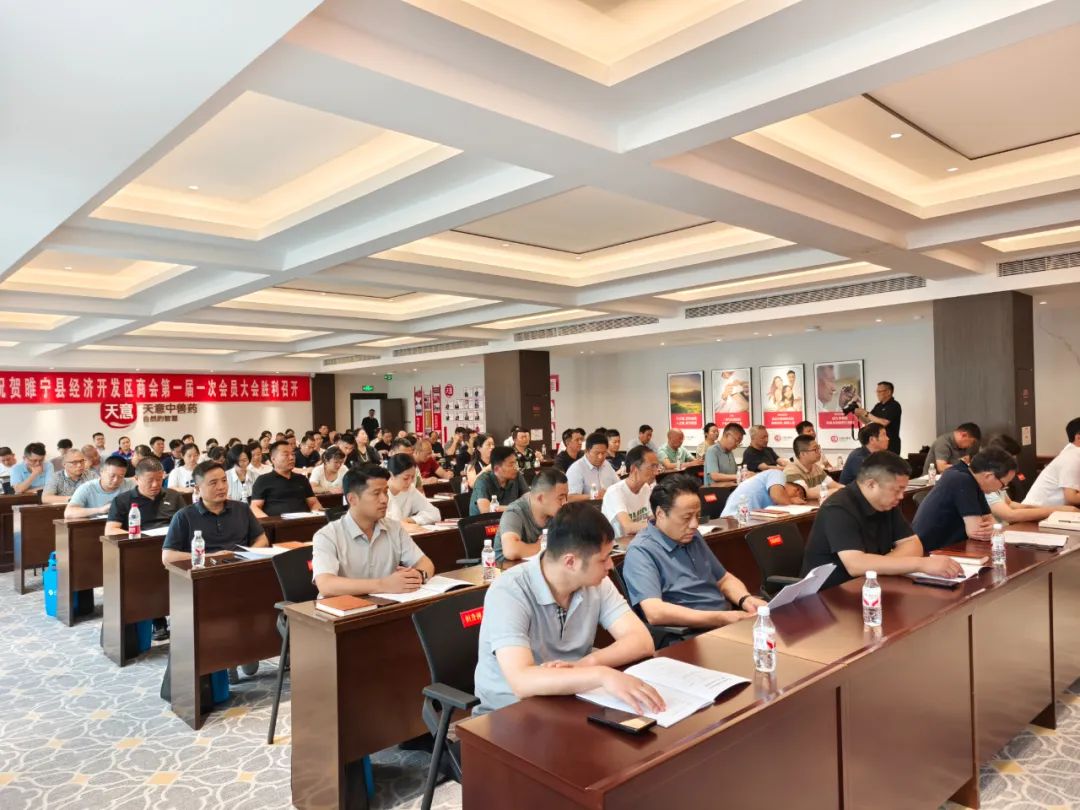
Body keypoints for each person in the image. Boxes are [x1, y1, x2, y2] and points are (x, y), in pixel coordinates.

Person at [472, 502, 660, 715]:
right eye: (603, 559)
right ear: (570, 562)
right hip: (510, 712)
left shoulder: (596, 582)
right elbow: (521, 681)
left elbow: (642, 641)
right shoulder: (509, 590)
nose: (610, 565)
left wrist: (586, 664)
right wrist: (601, 675)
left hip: (570, 698)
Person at [801, 452, 963, 590]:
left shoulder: (886, 503)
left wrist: (878, 565)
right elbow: (855, 564)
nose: (901, 496)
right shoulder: (838, 508)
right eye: (897, 490)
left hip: (870, 585)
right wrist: (921, 564)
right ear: (872, 484)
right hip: (829, 595)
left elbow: (913, 545)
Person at [623, 475, 767, 629]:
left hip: (723, 620)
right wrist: (721, 618)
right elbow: (655, 612)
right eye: (686, 517)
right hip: (691, 631)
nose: (694, 524)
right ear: (660, 514)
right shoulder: (641, 551)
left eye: (697, 516)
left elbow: (724, 579)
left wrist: (745, 599)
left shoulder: (693, 536)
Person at [311, 467, 435, 597]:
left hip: (385, 604)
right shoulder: (327, 536)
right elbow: (326, 585)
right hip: (344, 607)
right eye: (376, 493)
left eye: (386, 492)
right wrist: (383, 585)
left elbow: (425, 563)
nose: (384, 499)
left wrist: (418, 575)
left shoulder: (394, 528)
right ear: (352, 499)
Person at [162, 461, 269, 564]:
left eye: (224, 480)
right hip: (205, 569)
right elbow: (167, 556)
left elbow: (262, 539)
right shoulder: (184, 516)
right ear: (198, 489)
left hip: (241, 566)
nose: (221, 487)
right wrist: (210, 556)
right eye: (213, 483)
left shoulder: (242, 508)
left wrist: (248, 556)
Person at [913, 448, 1016, 553]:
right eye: (1003, 485)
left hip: (951, 547)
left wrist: (992, 528)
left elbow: (990, 520)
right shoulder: (962, 479)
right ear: (989, 476)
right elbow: (976, 532)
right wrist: (992, 529)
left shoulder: (975, 480)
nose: (1002, 489)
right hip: (930, 551)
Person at [982, 434, 1079, 523]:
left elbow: (1010, 504)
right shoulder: (987, 485)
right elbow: (1010, 515)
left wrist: (1057, 510)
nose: (1013, 463)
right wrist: (1055, 510)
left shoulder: (997, 481)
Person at [495, 468, 568, 563]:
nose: (565, 502)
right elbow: (511, 550)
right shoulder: (514, 512)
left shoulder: (557, 512)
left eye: (566, 496)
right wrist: (542, 545)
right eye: (560, 498)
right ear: (541, 498)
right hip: (507, 568)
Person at [105, 458, 185, 536]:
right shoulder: (122, 500)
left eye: (159, 479)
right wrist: (140, 536)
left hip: (171, 540)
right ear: (136, 479)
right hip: (139, 541)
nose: (155, 484)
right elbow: (110, 530)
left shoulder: (174, 496)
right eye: (149, 480)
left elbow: (186, 522)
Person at [249, 441, 322, 518]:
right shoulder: (263, 480)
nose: (291, 458)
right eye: (286, 455)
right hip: (277, 523)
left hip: (304, 521)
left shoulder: (302, 479)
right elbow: (255, 507)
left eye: (293, 454)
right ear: (273, 459)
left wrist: (316, 516)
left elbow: (314, 503)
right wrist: (269, 522)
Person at [601, 446, 659, 540]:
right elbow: (628, 527)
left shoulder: (645, 488)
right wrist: (661, 525)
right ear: (634, 469)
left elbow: (651, 518)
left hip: (639, 539)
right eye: (652, 467)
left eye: (657, 466)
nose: (656, 472)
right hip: (618, 544)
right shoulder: (615, 492)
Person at [1022, 417, 1080, 508]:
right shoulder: (1072, 456)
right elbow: (1071, 497)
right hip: (1034, 512)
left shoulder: (1072, 450)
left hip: (1050, 511)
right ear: (1078, 438)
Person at [65, 456, 135, 519]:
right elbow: (68, 512)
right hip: (95, 526)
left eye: (121, 476)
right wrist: (100, 510)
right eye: (112, 476)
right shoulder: (87, 488)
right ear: (101, 472)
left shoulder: (130, 485)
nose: (116, 480)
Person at [720, 469, 807, 517]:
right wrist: (791, 501)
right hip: (733, 518)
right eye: (797, 490)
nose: (797, 496)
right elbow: (777, 496)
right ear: (787, 483)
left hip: (748, 520)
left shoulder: (779, 503)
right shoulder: (777, 474)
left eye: (800, 497)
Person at [469, 446, 528, 515]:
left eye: (515, 463)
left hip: (508, 518)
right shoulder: (482, 481)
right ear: (496, 469)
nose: (516, 468)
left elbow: (529, 501)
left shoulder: (517, 475)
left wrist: (501, 508)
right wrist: (517, 508)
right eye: (511, 464)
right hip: (483, 520)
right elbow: (486, 510)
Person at [386, 455, 440, 527]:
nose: (410, 482)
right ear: (391, 475)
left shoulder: (410, 490)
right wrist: (401, 525)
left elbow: (435, 514)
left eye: (412, 477)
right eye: (405, 478)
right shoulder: (380, 493)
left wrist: (411, 520)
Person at [566, 432, 619, 502]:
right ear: (586, 451)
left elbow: (618, 485)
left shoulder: (606, 464)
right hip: (587, 507)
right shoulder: (576, 469)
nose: (600, 457)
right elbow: (569, 498)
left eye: (603, 453)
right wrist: (593, 496)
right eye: (597, 453)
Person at [855, 381, 902, 455]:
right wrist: (858, 414)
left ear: (888, 392)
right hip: (878, 444)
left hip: (891, 444)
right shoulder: (878, 406)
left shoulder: (894, 405)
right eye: (877, 391)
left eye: (880, 391)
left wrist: (866, 413)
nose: (877, 394)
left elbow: (884, 422)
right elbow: (866, 421)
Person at [785, 435, 829, 499]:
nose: (819, 452)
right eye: (815, 449)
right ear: (803, 454)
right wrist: (832, 491)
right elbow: (806, 493)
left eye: (818, 448)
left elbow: (832, 484)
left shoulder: (816, 467)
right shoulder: (791, 470)